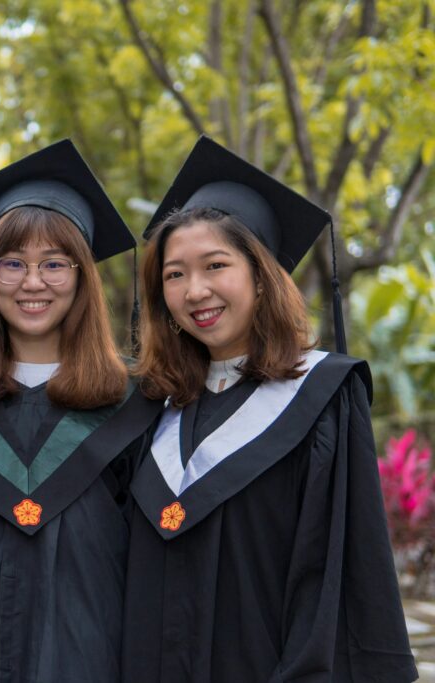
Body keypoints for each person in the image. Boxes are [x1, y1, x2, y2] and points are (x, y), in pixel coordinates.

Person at [122, 136, 417, 682]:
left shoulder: (323, 395)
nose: (195, 291)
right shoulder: (150, 411)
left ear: (260, 275)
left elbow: (346, 573)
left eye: (215, 265)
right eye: (174, 274)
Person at [0, 140, 162, 682]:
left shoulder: (139, 404)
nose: (32, 283)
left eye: (54, 264)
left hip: (97, 656)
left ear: (83, 276)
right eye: (12, 263)